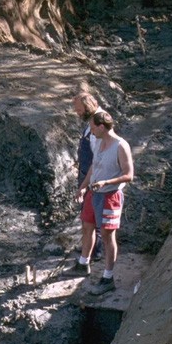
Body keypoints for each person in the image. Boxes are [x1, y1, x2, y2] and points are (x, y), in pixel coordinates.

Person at [71, 110, 134, 294]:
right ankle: (83, 264)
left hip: (109, 196)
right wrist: (83, 186)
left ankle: (108, 277)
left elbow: (129, 175)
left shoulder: (121, 146)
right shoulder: (98, 141)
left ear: (101, 127)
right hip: (93, 193)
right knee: (87, 226)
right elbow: (93, 166)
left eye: (92, 128)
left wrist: (107, 182)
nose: (90, 132)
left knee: (107, 237)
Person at [72, 92, 103, 260]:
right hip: (87, 173)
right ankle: (89, 246)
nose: (77, 113)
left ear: (88, 106)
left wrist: (85, 184)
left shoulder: (98, 125)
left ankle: (94, 250)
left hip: (92, 176)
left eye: (79, 110)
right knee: (87, 213)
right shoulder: (92, 121)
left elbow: (97, 159)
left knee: (91, 215)